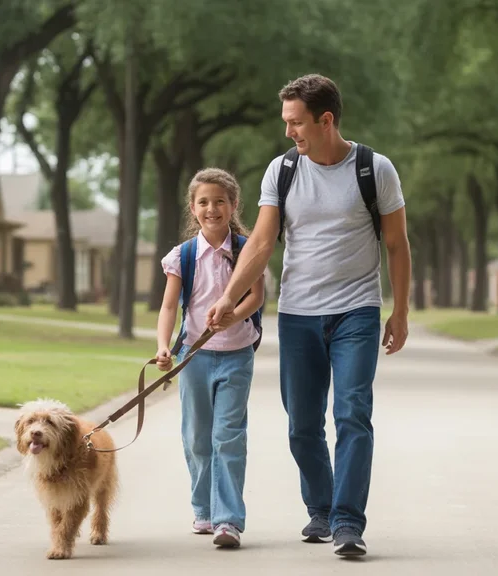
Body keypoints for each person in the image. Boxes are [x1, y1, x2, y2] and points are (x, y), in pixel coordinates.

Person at [205, 74, 411, 557]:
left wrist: (399, 311)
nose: (288, 132)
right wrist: (230, 299)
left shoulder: (374, 169)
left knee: (352, 413)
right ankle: (321, 507)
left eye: (296, 123)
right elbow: (259, 243)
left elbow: (398, 246)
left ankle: (346, 522)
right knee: (302, 424)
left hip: (356, 311)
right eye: (286, 123)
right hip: (298, 314)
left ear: (326, 120)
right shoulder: (282, 171)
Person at [155, 168, 266, 550]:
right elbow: (170, 306)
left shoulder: (247, 248)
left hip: (236, 355)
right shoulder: (183, 256)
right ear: (193, 207)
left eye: (220, 201)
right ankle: (203, 508)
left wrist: (237, 313)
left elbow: (256, 296)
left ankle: (229, 519)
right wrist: (163, 345)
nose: (212, 208)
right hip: (194, 359)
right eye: (203, 201)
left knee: (228, 437)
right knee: (197, 438)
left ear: (233, 205)